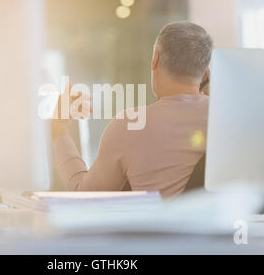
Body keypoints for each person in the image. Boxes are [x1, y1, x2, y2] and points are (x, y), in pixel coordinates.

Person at [51, 21, 213, 198]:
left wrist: (59, 130)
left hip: (157, 226)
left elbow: (84, 195)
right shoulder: (225, 118)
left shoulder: (130, 125)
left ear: (155, 59)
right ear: (205, 73)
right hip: (223, 225)